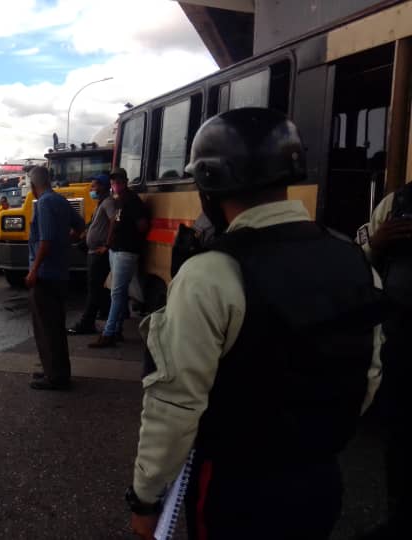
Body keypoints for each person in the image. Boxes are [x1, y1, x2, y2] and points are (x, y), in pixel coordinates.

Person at [127, 108, 384, 540]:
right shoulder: (354, 260)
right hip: (320, 481)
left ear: (208, 182)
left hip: (237, 490)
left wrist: (145, 498)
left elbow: (174, 405)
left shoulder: (210, 273)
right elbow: (369, 375)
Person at [355, 181, 412, 540]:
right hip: (402, 340)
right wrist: (376, 245)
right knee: (402, 436)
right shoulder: (396, 204)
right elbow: (359, 258)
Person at [25, 166, 85, 390]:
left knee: (46, 327)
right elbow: (79, 226)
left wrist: (33, 271)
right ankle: (53, 370)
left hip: (45, 275)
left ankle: (56, 376)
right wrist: (66, 243)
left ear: (32, 186)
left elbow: (46, 240)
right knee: (55, 325)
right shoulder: (60, 201)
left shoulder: (44, 203)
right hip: (60, 272)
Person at [89, 167, 149, 348]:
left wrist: (128, 235)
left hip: (126, 250)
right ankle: (117, 330)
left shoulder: (132, 201)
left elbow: (142, 225)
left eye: (119, 181)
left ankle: (108, 334)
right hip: (115, 250)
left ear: (125, 181)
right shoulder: (118, 200)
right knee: (119, 292)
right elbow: (113, 225)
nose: (116, 184)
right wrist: (108, 246)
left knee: (116, 292)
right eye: (113, 182)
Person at [68, 174, 116, 335]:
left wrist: (107, 245)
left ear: (103, 186)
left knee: (94, 288)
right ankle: (105, 315)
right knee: (98, 288)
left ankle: (87, 322)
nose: (92, 189)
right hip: (92, 251)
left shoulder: (108, 202)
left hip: (98, 252)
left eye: (94, 186)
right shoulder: (100, 203)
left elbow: (113, 222)